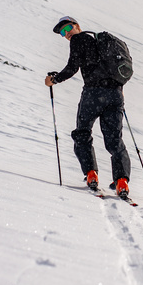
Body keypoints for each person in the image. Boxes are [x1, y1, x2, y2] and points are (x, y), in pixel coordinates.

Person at [45, 16, 131, 198]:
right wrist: (118, 91)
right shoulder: (101, 42)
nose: (66, 34)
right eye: (62, 32)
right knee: (114, 138)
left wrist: (54, 80)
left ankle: (91, 174)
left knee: (82, 132)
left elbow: (72, 67)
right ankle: (121, 181)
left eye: (68, 28)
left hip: (93, 94)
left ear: (77, 26)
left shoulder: (79, 39)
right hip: (115, 94)